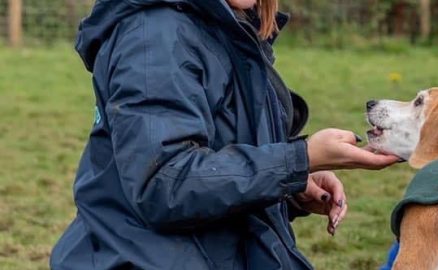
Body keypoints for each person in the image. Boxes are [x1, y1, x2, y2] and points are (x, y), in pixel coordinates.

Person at [50, 0, 399, 269]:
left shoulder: (222, 28)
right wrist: (298, 159)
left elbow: (221, 147)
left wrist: (293, 182)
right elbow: (163, 182)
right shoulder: (155, 36)